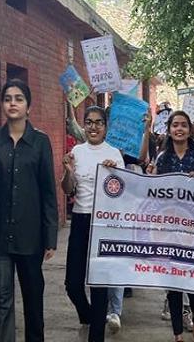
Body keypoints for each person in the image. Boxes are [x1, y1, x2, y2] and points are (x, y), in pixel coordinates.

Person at [0, 79, 58, 342]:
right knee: (1, 300)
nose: (13, 103)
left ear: (28, 106)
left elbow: (48, 192)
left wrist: (50, 236)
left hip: (30, 237)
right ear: (2, 104)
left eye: (19, 98)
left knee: (33, 299)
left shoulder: (40, 142)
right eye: (8, 98)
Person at [61, 106, 124, 342]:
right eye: (89, 122)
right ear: (84, 125)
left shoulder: (115, 154)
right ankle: (87, 315)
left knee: (99, 285)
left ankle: (96, 336)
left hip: (104, 222)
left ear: (106, 127)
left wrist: (114, 174)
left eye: (98, 122)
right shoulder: (77, 151)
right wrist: (68, 172)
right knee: (72, 284)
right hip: (80, 218)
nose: (93, 127)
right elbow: (68, 189)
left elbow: (122, 192)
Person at [148, 110, 194, 342]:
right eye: (175, 125)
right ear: (169, 129)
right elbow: (156, 193)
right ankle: (177, 334)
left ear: (189, 129)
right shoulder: (163, 158)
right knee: (173, 280)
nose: (179, 129)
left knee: (193, 275)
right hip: (169, 227)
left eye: (183, 125)